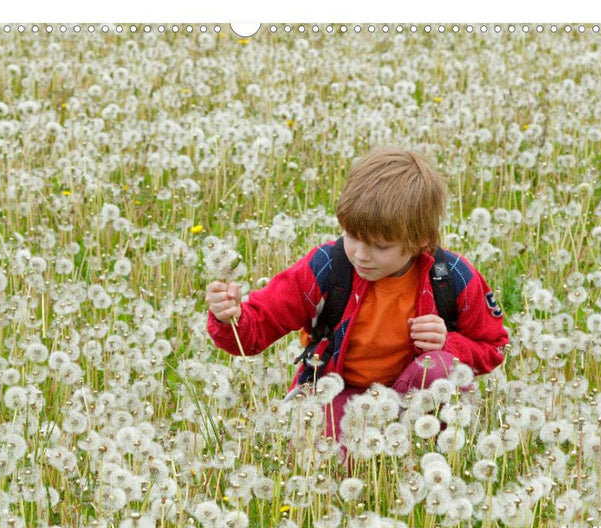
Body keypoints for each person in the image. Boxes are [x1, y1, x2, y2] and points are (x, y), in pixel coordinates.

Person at [205, 147, 509, 442]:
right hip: (338, 391)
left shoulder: (451, 277)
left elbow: (494, 346)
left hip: (414, 394)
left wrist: (448, 344)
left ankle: (428, 452)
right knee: (333, 461)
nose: (360, 255)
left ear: (421, 240)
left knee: (442, 367)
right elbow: (257, 329)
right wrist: (230, 316)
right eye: (352, 237)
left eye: (380, 246)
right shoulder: (326, 267)